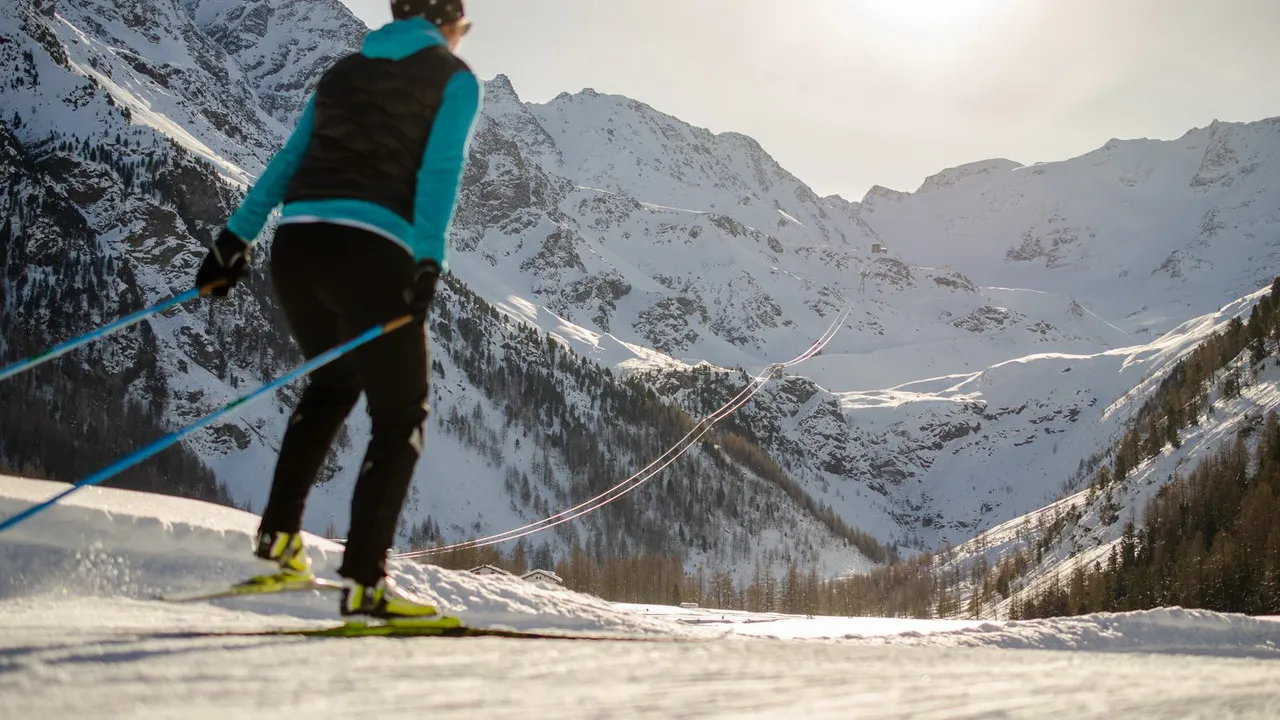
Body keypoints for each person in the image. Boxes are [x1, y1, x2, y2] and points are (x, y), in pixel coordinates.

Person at [194, 0, 482, 619]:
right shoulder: (453, 79)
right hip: (371, 252)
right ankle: (364, 584)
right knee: (400, 415)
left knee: (330, 386)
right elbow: (439, 173)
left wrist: (232, 241)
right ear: (449, 23)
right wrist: (428, 260)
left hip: (298, 248)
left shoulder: (342, 71)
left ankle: (277, 545)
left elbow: (289, 160)